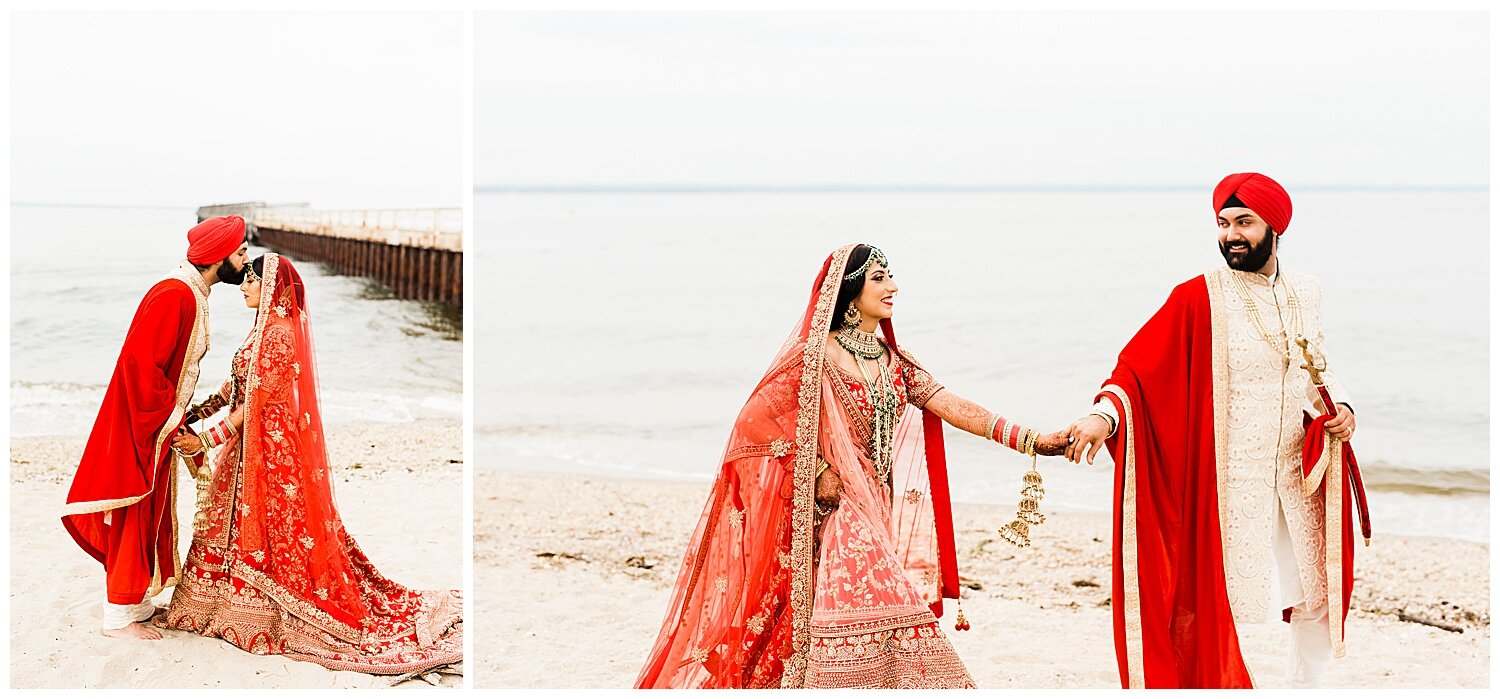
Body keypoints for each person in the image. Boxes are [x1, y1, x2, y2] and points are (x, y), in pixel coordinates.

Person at [637, 243, 1066, 688]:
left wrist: (1032, 440)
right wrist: (820, 467)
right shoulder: (814, 357)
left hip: (876, 501)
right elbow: (754, 422)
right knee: (886, 604)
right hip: (833, 510)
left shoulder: (895, 362)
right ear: (849, 290)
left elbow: (952, 405)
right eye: (879, 278)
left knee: (839, 612)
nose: (893, 287)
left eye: (890, 276)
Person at [1064, 173, 1361, 688]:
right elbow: (1137, 370)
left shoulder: (1306, 291)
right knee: (1224, 603)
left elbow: (1317, 371)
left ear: (1275, 227)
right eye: (1223, 224)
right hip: (1226, 482)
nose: (1231, 236)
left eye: (1244, 223)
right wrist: (1104, 416)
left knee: (1316, 589)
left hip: (1300, 476)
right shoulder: (1198, 296)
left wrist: (1343, 409)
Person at [156, 253, 462, 675]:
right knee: (221, 524)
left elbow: (254, 406)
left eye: (249, 281)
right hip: (247, 446)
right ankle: (215, 606)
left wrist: (205, 438)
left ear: (269, 287)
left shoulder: (279, 335)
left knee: (275, 531)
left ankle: (256, 612)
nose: (243, 287)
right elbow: (237, 387)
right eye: (243, 279)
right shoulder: (260, 331)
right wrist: (194, 412)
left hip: (271, 448)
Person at [62, 216, 249, 640]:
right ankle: (117, 617)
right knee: (135, 509)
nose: (243, 260)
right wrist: (167, 422)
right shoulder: (175, 294)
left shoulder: (192, 292)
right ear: (219, 257)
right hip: (142, 421)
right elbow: (140, 367)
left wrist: (182, 418)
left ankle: (138, 602)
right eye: (238, 253)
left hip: (156, 420)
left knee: (155, 510)